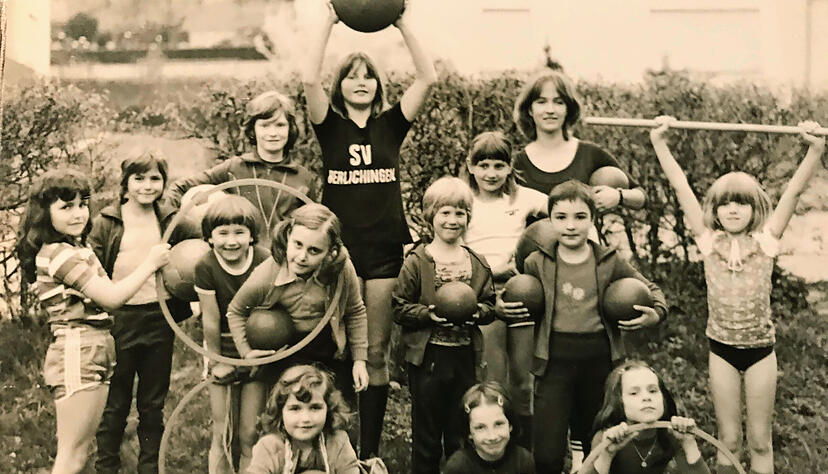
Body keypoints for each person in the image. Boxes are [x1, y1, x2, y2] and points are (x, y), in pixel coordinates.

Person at [649, 117, 825, 474]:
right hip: (722, 352)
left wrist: (815, 149)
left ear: (755, 207)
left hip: (761, 351)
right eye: (725, 204)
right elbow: (681, 187)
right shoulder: (708, 241)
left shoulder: (767, 241)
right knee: (728, 440)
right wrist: (660, 144)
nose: (732, 210)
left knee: (760, 440)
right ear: (714, 210)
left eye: (741, 203)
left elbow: (791, 192)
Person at [302, 0, 438, 459]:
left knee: (375, 352)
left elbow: (427, 79)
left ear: (378, 86)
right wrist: (327, 22)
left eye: (368, 76)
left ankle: (368, 454)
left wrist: (402, 24)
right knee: (337, 349)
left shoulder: (390, 126)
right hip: (337, 252)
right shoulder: (329, 126)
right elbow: (306, 79)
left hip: (382, 251)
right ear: (341, 87)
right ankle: (330, 450)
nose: (360, 81)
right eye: (351, 76)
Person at [500, 180, 667, 473]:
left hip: (600, 361)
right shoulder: (537, 261)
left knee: (598, 445)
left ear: (593, 218)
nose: (570, 226)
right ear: (550, 220)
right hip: (553, 362)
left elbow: (651, 289)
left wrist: (656, 313)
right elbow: (515, 292)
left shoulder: (609, 260)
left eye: (580, 217)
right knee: (548, 454)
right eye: (561, 217)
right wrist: (500, 306)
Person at [16, 169, 169, 474]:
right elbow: (111, 298)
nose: (78, 214)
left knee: (80, 452)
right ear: (44, 213)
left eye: (82, 205)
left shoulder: (78, 249)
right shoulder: (60, 255)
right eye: (66, 207)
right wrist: (149, 264)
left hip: (96, 347)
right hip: (78, 348)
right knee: (71, 456)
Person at [89, 151, 192, 474]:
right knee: (115, 402)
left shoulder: (171, 218)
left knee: (152, 404)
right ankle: (106, 466)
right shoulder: (106, 221)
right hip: (118, 321)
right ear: (125, 183)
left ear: (163, 182)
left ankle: (150, 466)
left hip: (158, 319)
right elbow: (89, 265)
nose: (147, 186)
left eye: (155, 179)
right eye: (139, 178)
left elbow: (200, 245)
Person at [225, 203, 369, 430]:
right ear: (288, 236)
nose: (302, 257)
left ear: (331, 252)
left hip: (328, 347)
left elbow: (355, 311)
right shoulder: (269, 271)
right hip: (286, 347)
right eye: (297, 245)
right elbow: (235, 310)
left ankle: (336, 460)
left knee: (336, 417)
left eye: (314, 251)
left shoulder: (342, 270)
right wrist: (246, 351)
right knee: (288, 418)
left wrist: (360, 360)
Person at [391, 177, 496, 474]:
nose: (452, 220)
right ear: (430, 217)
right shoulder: (417, 261)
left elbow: (490, 304)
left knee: (460, 428)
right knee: (426, 434)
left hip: (463, 356)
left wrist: (478, 313)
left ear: (468, 218)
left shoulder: (476, 262)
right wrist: (427, 315)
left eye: (459, 213)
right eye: (444, 213)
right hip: (429, 359)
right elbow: (399, 306)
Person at [462, 131, 547, 447]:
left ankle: (526, 453)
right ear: (470, 167)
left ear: (510, 167)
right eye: (483, 165)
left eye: (499, 165)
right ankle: (495, 447)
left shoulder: (524, 198)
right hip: (483, 295)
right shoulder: (464, 199)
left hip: (520, 291)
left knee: (524, 382)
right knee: (494, 380)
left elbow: (566, 210)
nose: (491, 173)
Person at [164, 90, 319, 246]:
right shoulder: (235, 167)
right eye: (265, 126)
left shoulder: (303, 177)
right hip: (243, 259)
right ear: (253, 130)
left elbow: (313, 227)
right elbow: (179, 187)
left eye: (280, 125)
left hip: (285, 260)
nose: (273, 133)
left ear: (290, 129)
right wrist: (179, 225)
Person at [193, 195, 272, 473]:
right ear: (210, 237)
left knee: (250, 433)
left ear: (252, 236)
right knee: (223, 431)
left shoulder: (264, 260)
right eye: (222, 233)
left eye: (240, 232)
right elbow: (211, 319)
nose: (231, 240)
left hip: (255, 348)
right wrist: (217, 361)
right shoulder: (205, 266)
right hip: (222, 348)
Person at [581, 360, 711, 474]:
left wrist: (689, 444)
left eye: (653, 390)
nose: (646, 397)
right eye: (634, 393)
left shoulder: (671, 435)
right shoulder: (607, 437)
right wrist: (607, 454)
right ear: (619, 401)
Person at [247, 364, 361, 474]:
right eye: (295, 409)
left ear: (329, 408)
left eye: (315, 408)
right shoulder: (270, 447)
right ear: (280, 412)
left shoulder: (338, 442)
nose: (306, 418)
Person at [444, 381, 535, 474]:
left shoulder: (523, 461)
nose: (492, 436)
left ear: (510, 425)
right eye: (480, 427)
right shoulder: (458, 468)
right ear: (469, 432)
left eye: (499, 424)